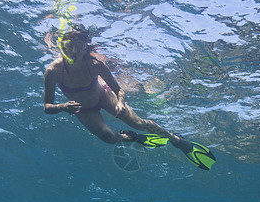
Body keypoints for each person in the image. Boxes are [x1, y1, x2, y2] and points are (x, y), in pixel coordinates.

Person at [43, 24, 192, 153]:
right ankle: (130, 138)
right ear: (63, 46)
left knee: (139, 123)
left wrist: (120, 102)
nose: (73, 52)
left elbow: (119, 90)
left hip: (104, 96)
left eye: (80, 47)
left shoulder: (95, 65)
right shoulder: (53, 71)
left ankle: (176, 139)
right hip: (82, 110)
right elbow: (47, 107)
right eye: (70, 46)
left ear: (85, 49)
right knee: (107, 137)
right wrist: (63, 107)